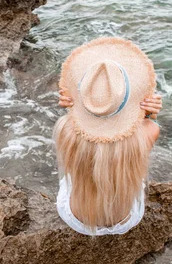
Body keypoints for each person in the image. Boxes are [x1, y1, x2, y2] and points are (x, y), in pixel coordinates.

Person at [53, 37, 162, 236]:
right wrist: (148, 114)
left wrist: (75, 105)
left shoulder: (65, 130)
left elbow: (77, 124)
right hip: (126, 218)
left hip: (75, 218)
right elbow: (147, 124)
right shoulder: (149, 132)